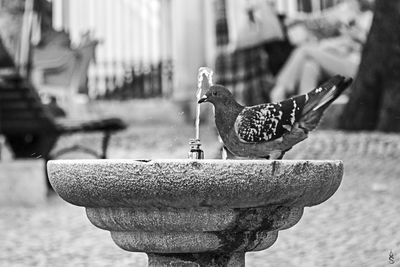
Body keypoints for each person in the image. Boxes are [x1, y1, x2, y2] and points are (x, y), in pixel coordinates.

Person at [270, 0, 374, 102]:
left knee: (305, 50)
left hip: (358, 66)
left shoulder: (371, 18)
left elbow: (363, 43)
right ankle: (305, 106)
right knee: (310, 64)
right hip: (344, 59)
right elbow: (321, 19)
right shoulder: (348, 9)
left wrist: (350, 35)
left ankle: (280, 89)